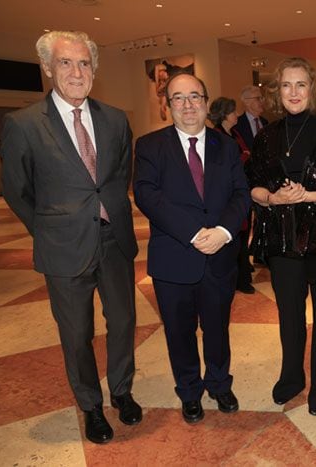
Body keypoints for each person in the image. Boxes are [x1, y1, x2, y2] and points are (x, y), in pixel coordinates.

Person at [0, 30, 141, 444]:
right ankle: (91, 405)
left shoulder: (116, 119)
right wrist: (48, 229)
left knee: (124, 321)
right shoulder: (23, 124)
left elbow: (118, 177)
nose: (76, 72)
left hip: (114, 241)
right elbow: (16, 190)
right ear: (47, 68)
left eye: (84, 63)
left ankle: (122, 391)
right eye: (65, 62)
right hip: (63, 249)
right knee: (76, 333)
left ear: (94, 69)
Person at [245, 57, 316, 416]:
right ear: (277, 92)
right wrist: (271, 196)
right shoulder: (266, 136)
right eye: (286, 85)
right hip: (283, 236)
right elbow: (251, 182)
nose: (294, 92)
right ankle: (291, 378)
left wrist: (314, 195)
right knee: (289, 314)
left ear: (312, 89)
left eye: (301, 85)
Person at [133, 73, 251, 424]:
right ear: (168, 106)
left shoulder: (226, 146)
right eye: (178, 98)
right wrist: (195, 232)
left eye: (194, 97)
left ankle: (219, 383)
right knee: (179, 332)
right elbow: (146, 195)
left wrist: (223, 232)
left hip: (219, 256)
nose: (187, 105)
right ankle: (189, 391)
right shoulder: (150, 145)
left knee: (218, 328)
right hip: (174, 259)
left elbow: (241, 194)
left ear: (206, 101)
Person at [209, 96, 255, 294]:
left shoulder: (235, 133)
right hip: (227, 195)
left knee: (244, 234)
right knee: (233, 235)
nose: (236, 115)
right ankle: (240, 279)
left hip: (242, 189)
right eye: (233, 111)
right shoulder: (215, 136)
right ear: (225, 115)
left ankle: (242, 274)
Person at [233, 84, 268, 150]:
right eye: (258, 98)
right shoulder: (237, 124)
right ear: (246, 102)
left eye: (262, 98)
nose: (262, 101)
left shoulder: (265, 122)